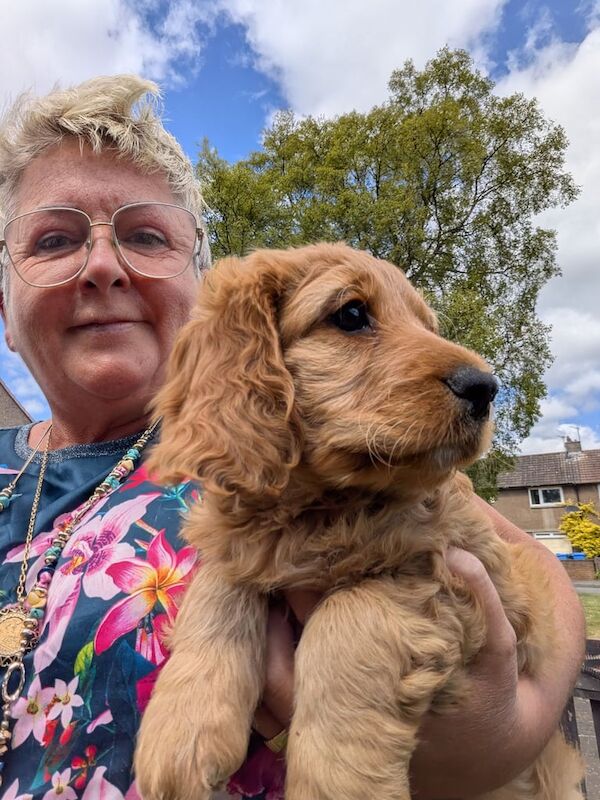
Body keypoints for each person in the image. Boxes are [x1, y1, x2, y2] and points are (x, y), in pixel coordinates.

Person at [0, 74, 585, 800]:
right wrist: (224, 613)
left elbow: (527, 577)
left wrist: (503, 737)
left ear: (197, 271)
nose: (102, 266)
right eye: (53, 239)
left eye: (146, 235)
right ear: (3, 300)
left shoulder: (366, 474)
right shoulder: (223, 449)